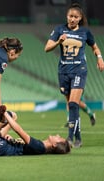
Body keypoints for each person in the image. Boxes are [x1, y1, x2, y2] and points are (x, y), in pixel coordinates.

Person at [44, 3, 104, 148]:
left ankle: (70, 138)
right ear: (67, 16)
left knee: (73, 103)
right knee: (71, 106)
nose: (72, 19)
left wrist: (100, 57)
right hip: (63, 71)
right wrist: (59, 41)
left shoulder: (85, 32)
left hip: (79, 70)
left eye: (75, 17)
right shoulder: (59, 30)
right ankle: (78, 137)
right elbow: (47, 48)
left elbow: (94, 47)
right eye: (70, 16)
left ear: (80, 18)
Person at [0, 109, 71, 156]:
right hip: (2, 144)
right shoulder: (40, 146)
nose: (58, 135)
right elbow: (22, 148)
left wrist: (5, 114)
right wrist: (13, 140)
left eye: (59, 138)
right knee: (14, 116)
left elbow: (19, 130)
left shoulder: (39, 147)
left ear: (55, 144)